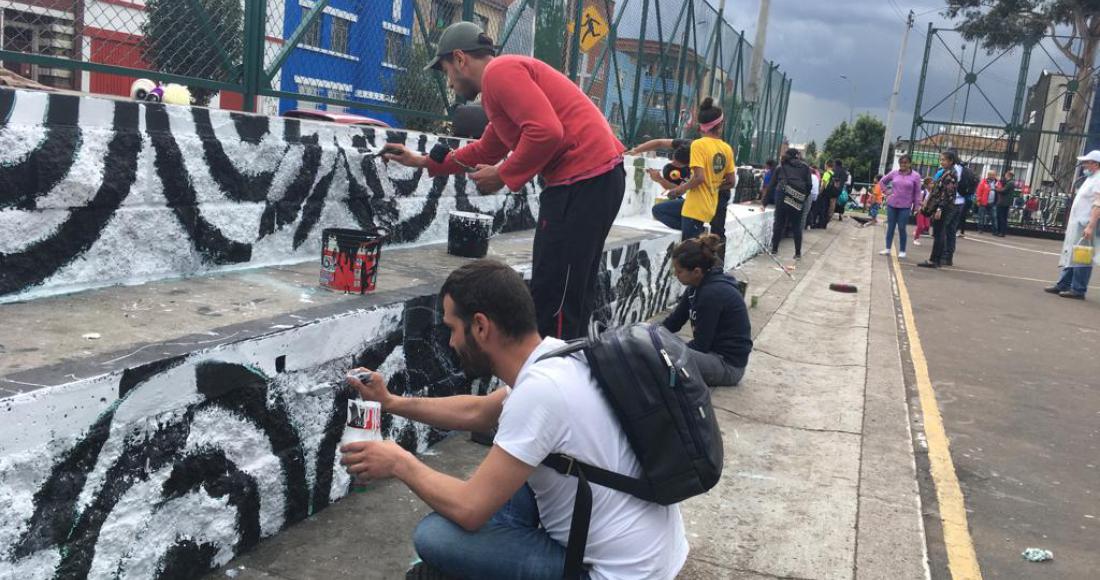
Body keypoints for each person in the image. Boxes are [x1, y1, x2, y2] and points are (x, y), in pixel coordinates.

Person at [341, 260, 689, 579]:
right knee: (510, 473)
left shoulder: (540, 393)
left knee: (434, 537)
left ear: (480, 326)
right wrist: (390, 402)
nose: (450, 341)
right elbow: (477, 412)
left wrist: (400, 462)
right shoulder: (556, 355)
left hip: (614, 573)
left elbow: (470, 509)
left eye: (452, 328)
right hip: (651, 551)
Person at [383, 22, 625, 341]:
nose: (450, 83)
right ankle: (568, 374)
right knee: (567, 291)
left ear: (459, 59)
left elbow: (547, 132)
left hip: (583, 180)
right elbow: (488, 147)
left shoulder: (500, 73)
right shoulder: (500, 88)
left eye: (446, 72)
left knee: (555, 295)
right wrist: (424, 161)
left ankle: (555, 380)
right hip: (595, 178)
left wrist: (502, 175)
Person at [661, 234, 753, 385]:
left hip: (728, 365)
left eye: (679, 272)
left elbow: (701, 345)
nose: (675, 276)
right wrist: (647, 334)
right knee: (659, 348)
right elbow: (674, 322)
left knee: (663, 359)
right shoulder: (696, 286)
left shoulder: (711, 294)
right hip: (711, 354)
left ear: (696, 271)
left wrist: (663, 349)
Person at [652, 98, 735, 240]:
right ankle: (700, 233)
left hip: (694, 208)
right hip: (709, 206)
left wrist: (679, 190)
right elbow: (731, 182)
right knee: (660, 210)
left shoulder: (698, 145)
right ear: (721, 125)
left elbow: (699, 177)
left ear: (701, 126)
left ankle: (698, 233)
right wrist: (713, 186)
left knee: (690, 255)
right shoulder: (726, 149)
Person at [630, 137, 732, 239]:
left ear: (690, 164)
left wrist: (661, 180)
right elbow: (659, 142)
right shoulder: (686, 145)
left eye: (678, 164)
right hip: (696, 199)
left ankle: (695, 230)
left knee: (717, 231)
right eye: (673, 160)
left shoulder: (699, 167)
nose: (673, 164)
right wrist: (635, 150)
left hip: (716, 196)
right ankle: (695, 228)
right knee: (659, 210)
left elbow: (682, 189)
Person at [1045, 152, 1100, 299]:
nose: (1084, 165)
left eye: (1086, 162)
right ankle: (1064, 283)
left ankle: (1078, 289)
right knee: (1071, 253)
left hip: (1085, 224)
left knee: (1082, 256)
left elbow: (1098, 205)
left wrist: (1090, 226)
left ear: (1095, 164)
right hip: (1078, 223)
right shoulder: (1091, 178)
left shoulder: (1098, 180)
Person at [765, 148, 813, 260]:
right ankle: (797, 253)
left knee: (779, 223)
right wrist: (803, 197)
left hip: (782, 195)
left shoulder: (780, 167)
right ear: (797, 156)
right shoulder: (805, 167)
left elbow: (771, 185)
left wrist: (764, 202)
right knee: (797, 225)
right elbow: (809, 185)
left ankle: (774, 249)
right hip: (797, 197)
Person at [919, 152, 961, 269]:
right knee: (938, 233)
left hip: (945, 207)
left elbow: (948, 193)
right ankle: (936, 259)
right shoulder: (947, 172)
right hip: (944, 206)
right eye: (941, 160)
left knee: (939, 233)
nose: (942, 162)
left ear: (951, 161)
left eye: (944, 160)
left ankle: (935, 260)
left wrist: (939, 208)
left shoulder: (951, 174)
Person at [877, 155, 922, 258]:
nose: (903, 164)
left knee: (902, 227)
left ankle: (902, 250)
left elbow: (917, 192)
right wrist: (887, 192)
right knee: (890, 227)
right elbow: (882, 181)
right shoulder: (894, 173)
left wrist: (917, 206)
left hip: (905, 206)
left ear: (910, 163)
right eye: (901, 162)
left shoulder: (916, 176)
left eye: (905, 162)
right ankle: (887, 248)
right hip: (892, 204)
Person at [994, 170, 1017, 237]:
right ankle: (1000, 231)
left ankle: (1001, 232)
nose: (1005, 175)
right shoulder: (1009, 182)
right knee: (1001, 217)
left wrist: (997, 189)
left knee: (1002, 217)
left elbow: (1004, 190)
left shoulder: (1010, 183)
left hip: (1004, 202)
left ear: (1008, 175)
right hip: (1004, 202)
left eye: (1006, 174)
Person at [912, 177, 934, 246]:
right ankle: (916, 239)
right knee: (921, 226)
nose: (932, 184)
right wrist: (924, 204)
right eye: (931, 183)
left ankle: (916, 232)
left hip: (927, 211)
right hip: (920, 210)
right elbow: (919, 201)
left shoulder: (933, 192)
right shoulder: (923, 192)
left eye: (933, 183)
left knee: (927, 226)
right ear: (926, 185)